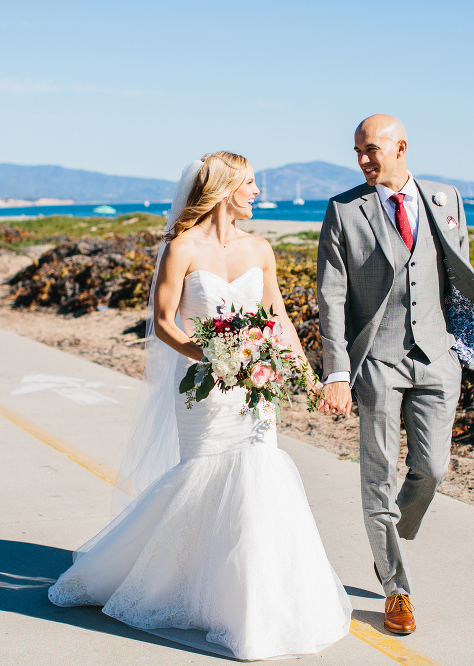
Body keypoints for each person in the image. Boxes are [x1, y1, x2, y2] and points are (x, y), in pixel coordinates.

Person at [48, 152, 352, 661]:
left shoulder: (260, 248)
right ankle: (165, 579)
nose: (258, 193)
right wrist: (207, 355)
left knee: (259, 474)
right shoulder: (181, 248)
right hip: (203, 389)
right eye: (251, 184)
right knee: (202, 478)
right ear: (225, 188)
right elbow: (164, 319)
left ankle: (250, 609)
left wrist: (310, 378)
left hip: (253, 388)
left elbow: (276, 320)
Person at [316, 115, 474, 634]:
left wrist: (462, 346)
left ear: (401, 147)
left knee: (433, 470)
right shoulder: (344, 210)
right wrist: (336, 370)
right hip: (377, 358)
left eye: (371, 149)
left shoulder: (446, 197)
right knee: (378, 476)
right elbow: (330, 297)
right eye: (357, 151)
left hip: (439, 357)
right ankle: (396, 588)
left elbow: (458, 273)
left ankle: (389, 530)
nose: (363, 160)